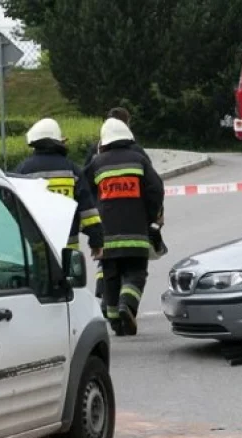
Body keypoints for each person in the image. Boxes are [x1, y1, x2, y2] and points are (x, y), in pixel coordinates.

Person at [82, 118, 165, 336]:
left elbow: (84, 193)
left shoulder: (96, 164)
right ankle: (127, 305)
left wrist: (93, 222)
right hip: (136, 231)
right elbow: (155, 190)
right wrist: (150, 216)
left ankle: (115, 321)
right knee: (136, 272)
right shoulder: (139, 160)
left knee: (110, 275)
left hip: (106, 235)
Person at [12, 118, 104, 260]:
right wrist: (96, 241)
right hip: (68, 249)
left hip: (34, 248)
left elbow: (13, 208)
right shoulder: (71, 170)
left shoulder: (22, 170)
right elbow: (87, 211)